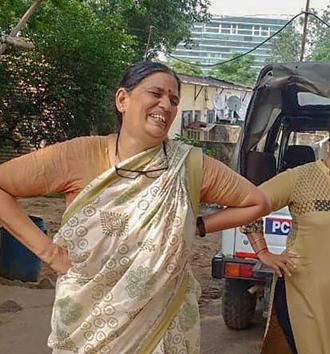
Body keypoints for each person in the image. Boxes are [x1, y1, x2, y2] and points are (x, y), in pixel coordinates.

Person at [0, 61, 270, 353]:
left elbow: (257, 202)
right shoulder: (78, 155)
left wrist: (200, 225)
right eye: (155, 93)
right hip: (87, 320)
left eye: (174, 100)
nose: (165, 105)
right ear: (122, 100)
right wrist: (49, 252)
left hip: (162, 320)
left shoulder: (190, 166)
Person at [241, 115, 330, 354]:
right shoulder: (300, 177)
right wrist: (264, 253)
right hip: (301, 291)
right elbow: (248, 204)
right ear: (329, 144)